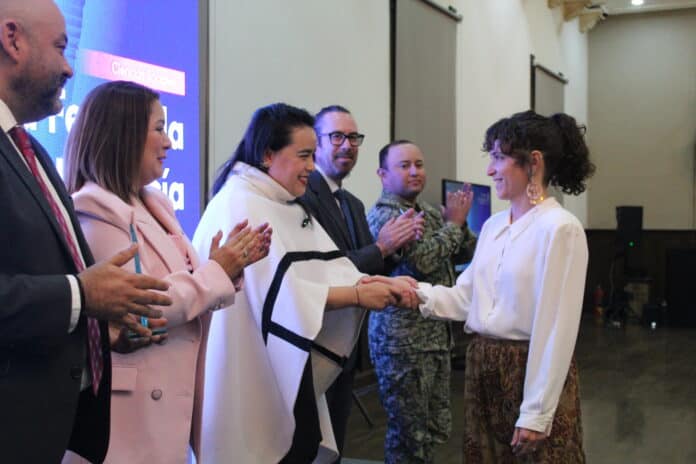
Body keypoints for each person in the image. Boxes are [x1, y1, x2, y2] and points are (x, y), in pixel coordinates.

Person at [192, 102, 418, 464]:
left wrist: (370, 281)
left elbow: (324, 268)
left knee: (302, 443)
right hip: (249, 367)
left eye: (313, 155)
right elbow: (280, 297)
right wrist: (359, 293)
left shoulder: (283, 203)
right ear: (268, 154)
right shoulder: (240, 204)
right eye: (304, 156)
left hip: (286, 367)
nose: (312, 166)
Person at [61, 80, 271, 463]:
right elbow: (139, 306)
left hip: (165, 396)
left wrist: (225, 267)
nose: (169, 141)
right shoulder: (93, 209)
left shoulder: (155, 204)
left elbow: (183, 285)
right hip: (129, 414)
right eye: (159, 128)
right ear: (124, 134)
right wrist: (217, 270)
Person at [0, 2, 172, 463]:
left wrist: (100, 336)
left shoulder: (29, 149)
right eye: (60, 48)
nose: (69, 68)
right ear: (12, 40)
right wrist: (81, 296)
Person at [415, 110, 595, 463]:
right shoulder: (494, 226)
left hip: (528, 371)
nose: (490, 170)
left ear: (533, 162)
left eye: (498, 157)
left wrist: (536, 413)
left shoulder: (560, 228)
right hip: (484, 368)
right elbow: (467, 297)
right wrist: (414, 293)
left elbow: (556, 328)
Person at [299, 105, 424, 461]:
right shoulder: (303, 196)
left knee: (336, 445)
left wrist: (394, 249)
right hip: (316, 343)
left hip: (348, 344)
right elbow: (327, 271)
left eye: (353, 137)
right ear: (316, 142)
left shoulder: (351, 203)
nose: (348, 145)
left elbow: (364, 268)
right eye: (337, 136)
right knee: (312, 447)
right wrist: (382, 246)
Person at [366, 140, 477, 464]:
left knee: (434, 429)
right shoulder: (385, 215)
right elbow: (423, 262)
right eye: (404, 166)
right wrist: (453, 224)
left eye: (419, 164)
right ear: (383, 175)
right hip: (403, 343)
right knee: (409, 437)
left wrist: (459, 224)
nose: (415, 171)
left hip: (435, 338)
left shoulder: (427, 212)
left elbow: (467, 251)